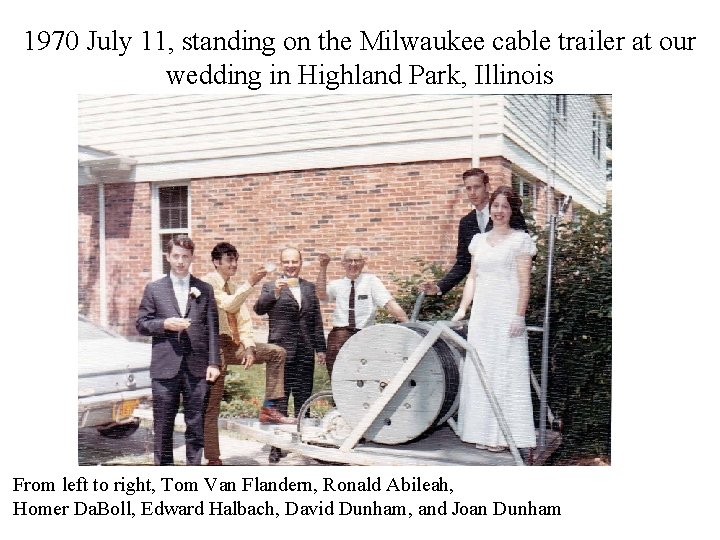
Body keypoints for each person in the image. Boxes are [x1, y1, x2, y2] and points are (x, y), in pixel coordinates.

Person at [451, 186, 537, 453]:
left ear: (513, 211)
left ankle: (502, 436)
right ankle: (480, 431)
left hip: (506, 314)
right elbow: (473, 278)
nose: (499, 211)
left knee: (505, 372)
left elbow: (525, 284)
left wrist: (519, 316)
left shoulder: (520, 241)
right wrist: (462, 310)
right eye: (496, 206)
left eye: (505, 206)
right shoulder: (479, 241)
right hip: (483, 316)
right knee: (481, 371)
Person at [201, 243, 295, 467]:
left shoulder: (235, 285)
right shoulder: (208, 283)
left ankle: (269, 408)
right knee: (212, 405)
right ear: (216, 262)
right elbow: (229, 304)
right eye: (229, 260)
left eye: (236, 260)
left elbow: (242, 319)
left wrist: (250, 346)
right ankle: (213, 458)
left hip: (233, 344)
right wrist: (251, 282)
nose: (234, 264)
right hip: (213, 347)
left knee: (276, 352)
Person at [136, 236, 220, 465]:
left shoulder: (204, 289)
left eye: (185, 257)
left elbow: (213, 328)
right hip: (165, 367)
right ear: (168, 257)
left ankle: (193, 468)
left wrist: (214, 363)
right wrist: (164, 324)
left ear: (192, 258)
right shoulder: (154, 288)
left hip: (197, 367)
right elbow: (142, 323)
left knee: (196, 422)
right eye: (176, 256)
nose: (180, 261)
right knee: (163, 423)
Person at [254, 247, 326, 422]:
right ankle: (277, 448)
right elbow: (258, 310)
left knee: (304, 399)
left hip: (305, 351)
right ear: (281, 264)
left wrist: (321, 349)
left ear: (300, 263)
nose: (290, 265)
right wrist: (275, 294)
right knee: (279, 400)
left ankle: (303, 442)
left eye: (294, 261)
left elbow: (316, 320)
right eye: (286, 262)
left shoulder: (309, 288)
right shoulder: (270, 286)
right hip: (280, 352)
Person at [316, 246, 409, 378]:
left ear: (363, 262)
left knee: (365, 374)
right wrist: (323, 267)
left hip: (364, 333)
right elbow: (321, 294)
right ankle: (339, 396)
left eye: (356, 260)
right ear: (343, 263)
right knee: (338, 373)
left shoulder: (371, 282)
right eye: (349, 260)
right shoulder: (337, 284)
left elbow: (389, 304)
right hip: (340, 335)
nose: (353, 264)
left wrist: (408, 323)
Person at [422, 168, 494, 297]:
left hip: (508, 288)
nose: (472, 193)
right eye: (468, 188)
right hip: (481, 293)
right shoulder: (466, 223)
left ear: (487, 187)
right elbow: (463, 264)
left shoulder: (505, 214)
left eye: (477, 187)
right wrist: (439, 287)